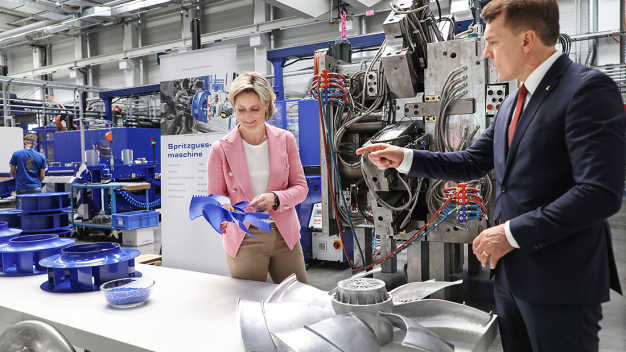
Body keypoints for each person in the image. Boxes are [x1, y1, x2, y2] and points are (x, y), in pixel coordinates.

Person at [356, 0, 624, 351]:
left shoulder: (586, 89)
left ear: (527, 40)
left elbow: (599, 193)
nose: (485, 52)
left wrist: (510, 234)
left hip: (560, 281)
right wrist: (403, 157)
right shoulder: (513, 103)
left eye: (493, 42)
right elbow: (470, 162)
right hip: (512, 277)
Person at [207, 72, 309, 284]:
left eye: (254, 109)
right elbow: (214, 197)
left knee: (298, 299)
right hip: (244, 238)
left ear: (267, 106)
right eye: (240, 110)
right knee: (251, 303)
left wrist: (275, 198)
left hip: (284, 235)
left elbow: (301, 188)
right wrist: (223, 208)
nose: (247, 117)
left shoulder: (285, 140)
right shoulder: (220, 149)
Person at [10, 134, 47, 209]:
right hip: (36, 187)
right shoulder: (41, 156)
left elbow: (12, 172)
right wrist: (36, 183)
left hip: (21, 187)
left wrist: (16, 178)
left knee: (21, 212)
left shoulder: (16, 154)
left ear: (24, 142)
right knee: (36, 210)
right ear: (36, 144)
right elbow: (42, 175)